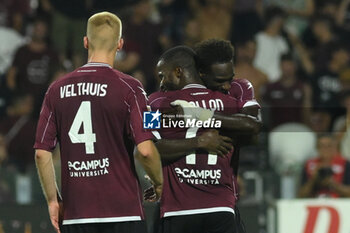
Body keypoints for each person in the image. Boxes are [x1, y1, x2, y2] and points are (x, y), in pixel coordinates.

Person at [34, 12, 163, 233]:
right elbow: (146, 151)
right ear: (120, 44)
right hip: (125, 213)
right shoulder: (131, 88)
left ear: (86, 41)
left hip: (77, 215)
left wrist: (53, 200)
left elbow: (41, 153)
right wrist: (159, 183)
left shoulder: (55, 90)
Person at [148, 46, 260, 233]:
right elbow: (253, 128)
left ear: (178, 71)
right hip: (222, 207)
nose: (161, 83)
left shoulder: (155, 102)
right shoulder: (230, 102)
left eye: (162, 76)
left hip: (178, 210)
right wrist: (201, 140)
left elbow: (147, 148)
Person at [298, 133, 350, 198]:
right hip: (314, 202)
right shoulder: (309, 164)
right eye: (322, 146)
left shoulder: (345, 163)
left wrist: (333, 184)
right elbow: (301, 194)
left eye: (329, 146)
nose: (325, 149)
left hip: (339, 202)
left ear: (335, 147)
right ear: (316, 147)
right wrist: (313, 179)